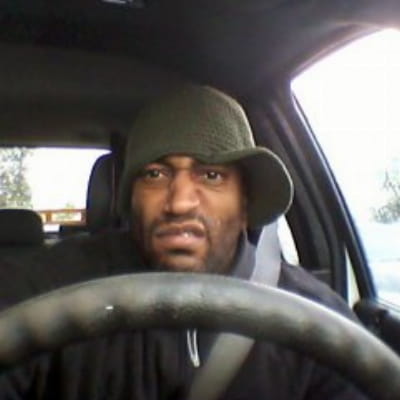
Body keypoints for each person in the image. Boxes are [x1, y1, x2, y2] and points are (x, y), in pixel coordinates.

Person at [0, 84, 366, 399]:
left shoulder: (314, 320)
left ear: (245, 203)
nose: (179, 202)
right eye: (155, 174)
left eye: (211, 175)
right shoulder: (52, 288)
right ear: (131, 199)